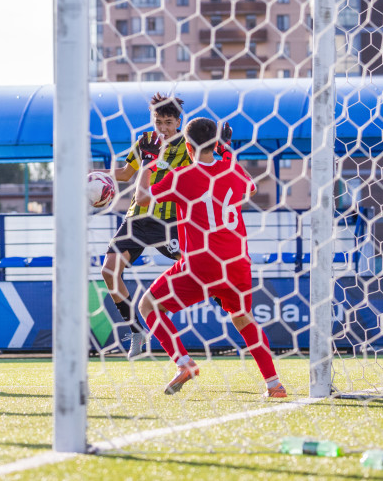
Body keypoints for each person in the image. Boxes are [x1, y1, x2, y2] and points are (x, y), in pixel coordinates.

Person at [133, 118, 287, 397]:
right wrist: (226, 151)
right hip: (237, 262)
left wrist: (148, 162)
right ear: (215, 143)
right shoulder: (233, 170)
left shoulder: (181, 177)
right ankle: (274, 384)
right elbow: (250, 187)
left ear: (187, 146)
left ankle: (183, 362)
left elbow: (141, 199)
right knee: (244, 319)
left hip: (200, 264)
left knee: (148, 305)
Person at [99, 93, 191, 359]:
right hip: (137, 218)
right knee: (108, 271)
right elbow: (126, 174)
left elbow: (198, 175)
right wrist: (93, 175)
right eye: (157, 121)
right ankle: (136, 329)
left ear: (178, 122)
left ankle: (227, 302)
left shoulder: (188, 146)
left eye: (167, 122)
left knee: (198, 267)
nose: (161, 128)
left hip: (171, 220)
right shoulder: (145, 141)